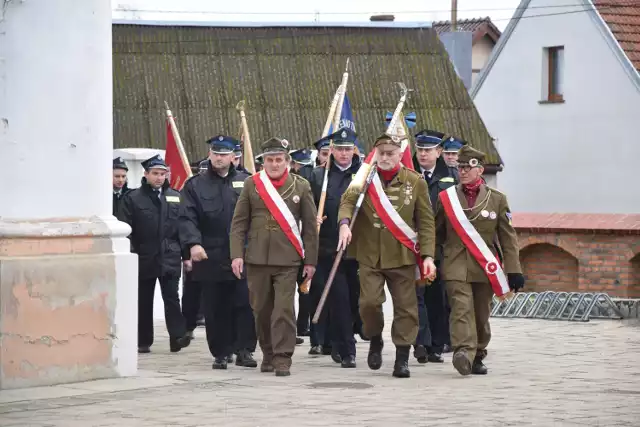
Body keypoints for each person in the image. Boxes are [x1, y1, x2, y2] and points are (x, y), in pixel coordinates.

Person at [337, 133, 437, 378]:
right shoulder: (363, 177)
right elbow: (347, 202)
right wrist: (344, 224)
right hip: (369, 254)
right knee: (369, 303)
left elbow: (426, 223)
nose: (384, 158)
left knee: (406, 309)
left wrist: (427, 256)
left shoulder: (415, 182)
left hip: (402, 256)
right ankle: (375, 339)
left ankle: (401, 357)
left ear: (399, 154)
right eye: (381, 153)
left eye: (390, 153)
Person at [230, 137, 319, 377]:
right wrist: (237, 255)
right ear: (263, 162)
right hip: (256, 258)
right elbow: (239, 223)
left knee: (283, 310)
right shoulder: (252, 184)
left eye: (279, 159)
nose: (274, 164)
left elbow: (310, 226)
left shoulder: (300, 186)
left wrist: (310, 260)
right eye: (270, 160)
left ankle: (283, 357)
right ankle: (268, 353)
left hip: (288, 259)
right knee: (261, 310)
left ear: (288, 162)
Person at [435, 145, 524, 376]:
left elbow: (508, 237)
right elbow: (436, 232)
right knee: (461, 308)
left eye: (467, 167)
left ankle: (478, 353)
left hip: (485, 266)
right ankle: (463, 352)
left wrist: (514, 270)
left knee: (481, 312)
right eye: (460, 167)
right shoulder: (447, 198)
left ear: (480, 170)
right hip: (455, 263)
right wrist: (429, 258)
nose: (462, 172)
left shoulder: (497, 200)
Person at [180, 135, 258, 370]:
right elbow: (186, 218)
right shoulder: (195, 185)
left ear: (234, 157)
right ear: (210, 155)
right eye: (215, 154)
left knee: (245, 304)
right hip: (210, 254)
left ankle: (245, 350)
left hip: (242, 254)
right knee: (215, 307)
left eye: (224, 154)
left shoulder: (248, 182)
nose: (219, 158)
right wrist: (193, 243)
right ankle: (221, 352)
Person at [117, 154, 190, 354]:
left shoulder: (175, 196)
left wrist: (186, 255)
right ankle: (143, 340)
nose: (159, 178)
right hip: (144, 255)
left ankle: (178, 336)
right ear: (146, 174)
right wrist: (131, 253)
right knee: (144, 299)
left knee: (172, 297)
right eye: (155, 174)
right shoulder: (133, 198)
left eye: (163, 174)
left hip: (170, 255)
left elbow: (183, 227)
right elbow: (126, 228)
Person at [308, 127, 362, 368]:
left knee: (356, 299)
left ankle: (348, 337)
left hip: (358, 247)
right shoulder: (319, 176)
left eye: (347, 149)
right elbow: (307, 208)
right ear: (331, 151)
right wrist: (312, 220)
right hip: (329, 247)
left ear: (354, 150)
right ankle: (346, 349)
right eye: (339, 149)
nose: (343, 154)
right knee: (338, 298)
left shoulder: (364, 175)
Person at [410, 129, 458, 364]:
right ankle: (420, 342)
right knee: (414, 296)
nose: (423, 155)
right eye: (420, 150)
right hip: (411, 245)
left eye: (428, 150)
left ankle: (437, 344)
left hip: (439, 248)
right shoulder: (407, 174)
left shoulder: (450, 177)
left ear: (439, 152)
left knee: (437, 298)